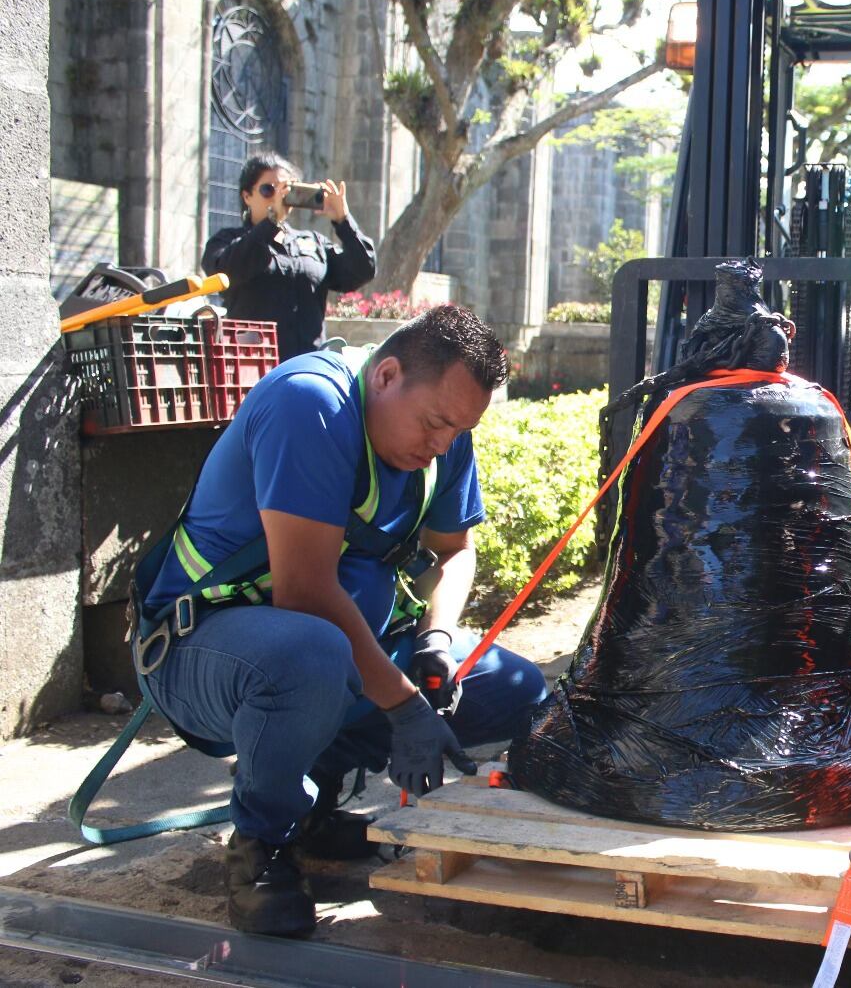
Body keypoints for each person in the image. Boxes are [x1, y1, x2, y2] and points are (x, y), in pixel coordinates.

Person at [136, 305, 548, 937]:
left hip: (332, 651)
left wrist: (436, 640)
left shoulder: (445, 435)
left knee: (519, 693)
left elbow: (454, 550)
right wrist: (405, 705)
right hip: (206, 651)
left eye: (457, 431)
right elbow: (303, 592)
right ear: (386, 375)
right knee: (312, 660)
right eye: (436, 422)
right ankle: (262, 846)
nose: (442, 443)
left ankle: (315, 804)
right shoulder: (312, 406)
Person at [204, 152, 377, 360]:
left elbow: (362, 270)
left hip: (308, 368)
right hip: (253, 368)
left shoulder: (313, 242)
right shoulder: (227, 241)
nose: (278, 198)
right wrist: (271, 222)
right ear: (247, 196)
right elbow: (223, 271)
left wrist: (343, 221)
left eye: (285, 191)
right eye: (268, 190)